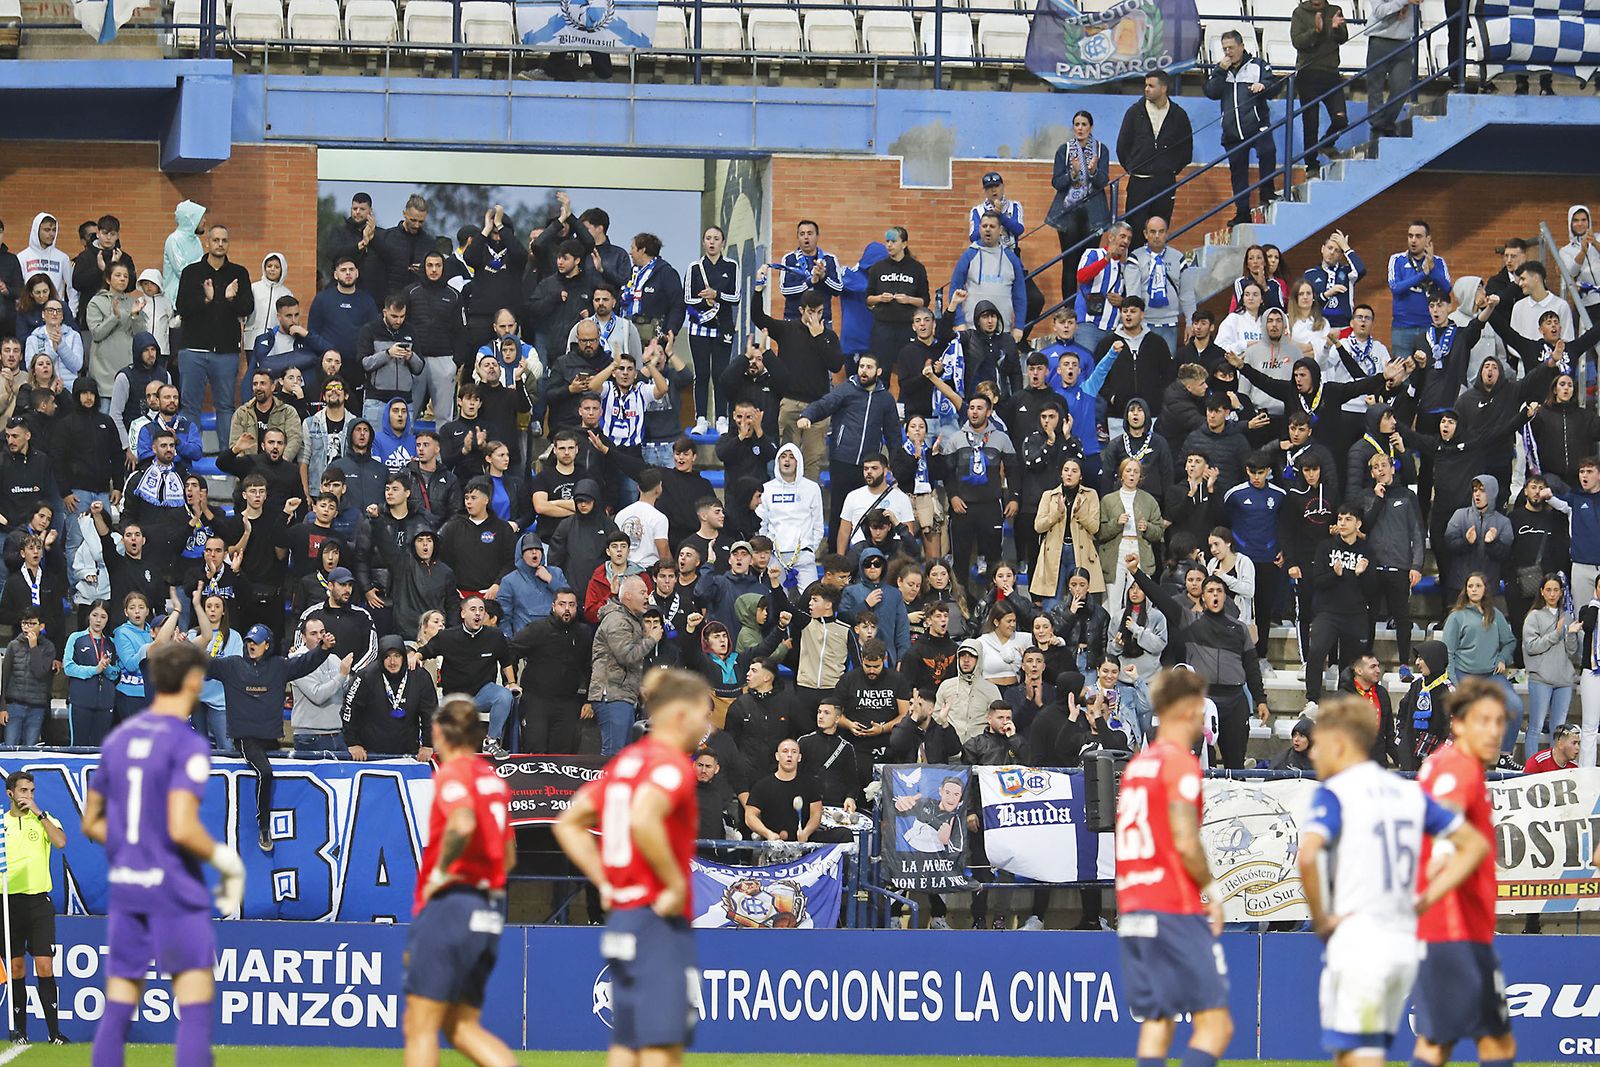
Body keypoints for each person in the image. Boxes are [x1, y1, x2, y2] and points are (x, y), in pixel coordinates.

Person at [1297, 695, 1489, 1064]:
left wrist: (1321, 921)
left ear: (1339, 742)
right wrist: (1426, 899)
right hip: (1402, 941)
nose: (1314, 755)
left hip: (1360, 939)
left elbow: (1307, 855)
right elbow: (1473, 845)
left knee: (1360, 1055)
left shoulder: (1337, 793)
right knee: (1358, 1051)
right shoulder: (1407, 792)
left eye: (1319, 745)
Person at [81, 641, 246, 1067]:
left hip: (128, 887)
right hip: (173, 887)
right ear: (194, 681)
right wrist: (227, 862)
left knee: (118, 1005)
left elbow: (90, 822)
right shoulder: (187, 743)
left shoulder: (119, 738)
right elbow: (181, 826)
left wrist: (132, 848)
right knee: (193, 1004)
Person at [555, 669, 709, 1065]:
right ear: (677, 715)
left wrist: (606, 881)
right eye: (701, 714)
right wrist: (674, 883)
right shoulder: (670, 765)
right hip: (656, 917)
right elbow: (644, 817)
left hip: (624, 914)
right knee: (661, 1047)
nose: (707, 724)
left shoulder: (626, 763)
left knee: (628, 1044)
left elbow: (569, 822)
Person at [1114, 668, 1230, 1067]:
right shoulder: (1180, 764)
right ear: (1185, 709)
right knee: (1216, 1026)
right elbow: (1184, 837)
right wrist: (1212, 893)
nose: (1204, 715)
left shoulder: (1136, 767)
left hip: (1133, 906)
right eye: (1200, 705)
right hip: (1172, 906)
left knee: (1158, 1023)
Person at [402, 695, 517, 1067]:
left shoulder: (455, 772)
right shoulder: (493, 780)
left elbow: (462, 822)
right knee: (461, 1027)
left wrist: (440, 874)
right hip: (490, 906)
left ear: (438, 731)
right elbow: (509, 854)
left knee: (420, 1024)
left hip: (454, 903)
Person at [1412, 679, 1519, 1067]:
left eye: (1499, 722)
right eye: (1483, 721)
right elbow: (1448, 820)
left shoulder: (1442, 763)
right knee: (1492, 1044)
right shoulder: (1459, 768)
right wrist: (1434, 882)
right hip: (1455, 929)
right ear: (1457, 723)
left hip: (1451, 929)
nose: (1494, 731)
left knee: (1438, 1045)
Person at [200, 612, 331, 851]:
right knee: (265, 772)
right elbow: (204, 665)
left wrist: (322, 649)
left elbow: (304, 664)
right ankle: (263, 828)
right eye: (249, 641)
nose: (251, 646)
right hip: (245, 738)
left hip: (271, 738)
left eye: (256, 642)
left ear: (267, 645)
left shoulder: (279, 666)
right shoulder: (232, 665)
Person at [2, 770, 67, 1045]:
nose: (27, 796)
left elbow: (61, 842)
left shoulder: (44, 819)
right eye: (23, 791)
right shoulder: (1, 824)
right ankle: (20, 1032)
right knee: (16, 967)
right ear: (10, 794)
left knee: (44, 965)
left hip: (39, 902)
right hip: (8, 903)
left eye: (31, 791)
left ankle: (55, 1033)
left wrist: (39, 814)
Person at [174, 224, 253, 446]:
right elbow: (182, 307)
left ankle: (226, 459)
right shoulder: (192, 272)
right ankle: (190, 456)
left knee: (226, 406)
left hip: (226, 351)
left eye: (224, 240)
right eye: (216, 240)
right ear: (207, 243)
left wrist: (230, 298)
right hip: (193, 350)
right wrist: (206, 299)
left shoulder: (239, 273)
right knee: (190, 407)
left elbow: (247, 307)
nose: (220, 244)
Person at [416, 596, 520, 755]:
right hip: (454, 697)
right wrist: (414, 657)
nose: (478, 614)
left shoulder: (495, 636)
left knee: (505, 695)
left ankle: (491, 741)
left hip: (482, 693)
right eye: (473, 610)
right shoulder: (447, 636)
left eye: (481, 610)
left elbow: (506, 662)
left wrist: (512, 682)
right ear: (463, 614)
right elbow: (425, 652)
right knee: (453, 746)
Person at [1205, 30, 1277, 226]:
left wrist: (1263, 85)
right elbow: (1211, 92)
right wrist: (1220, 70)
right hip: (1232, 131)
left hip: (1257, 124)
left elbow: (1275, 86)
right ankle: (1242, 212)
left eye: (1231, 48)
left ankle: (1267, 192)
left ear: (1241, 46)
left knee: (1268, 151)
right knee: (1238, 173)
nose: (1228, 52)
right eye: (1225, 48)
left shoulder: (1258, 65)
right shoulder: (1221, 70)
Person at [1046, 112, 1111, 308]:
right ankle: (1068, 307)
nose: (1080, 128)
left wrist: (1092, 171)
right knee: (1070, 262)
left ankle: (1086, 307)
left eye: (1084, 124)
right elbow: (1056, 182)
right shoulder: (1064, 150)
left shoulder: (1101, 150)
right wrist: (1072, 173)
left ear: (1091, 127)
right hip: (1069, 214)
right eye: (1076, 124)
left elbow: (1103, 181)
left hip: (1094, 214)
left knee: (1090, 261)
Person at [1290, 0, 1349, 173]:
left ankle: (1326, 143)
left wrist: (1336, 28)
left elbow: (1343, 38)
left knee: (1341, 120)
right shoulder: (1299, 13)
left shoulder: (1335, 10)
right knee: (1310, 123)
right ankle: (1311, 165)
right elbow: (1297, 41)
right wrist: (1316, 31)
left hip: (1331, 73)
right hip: (1308, 73)